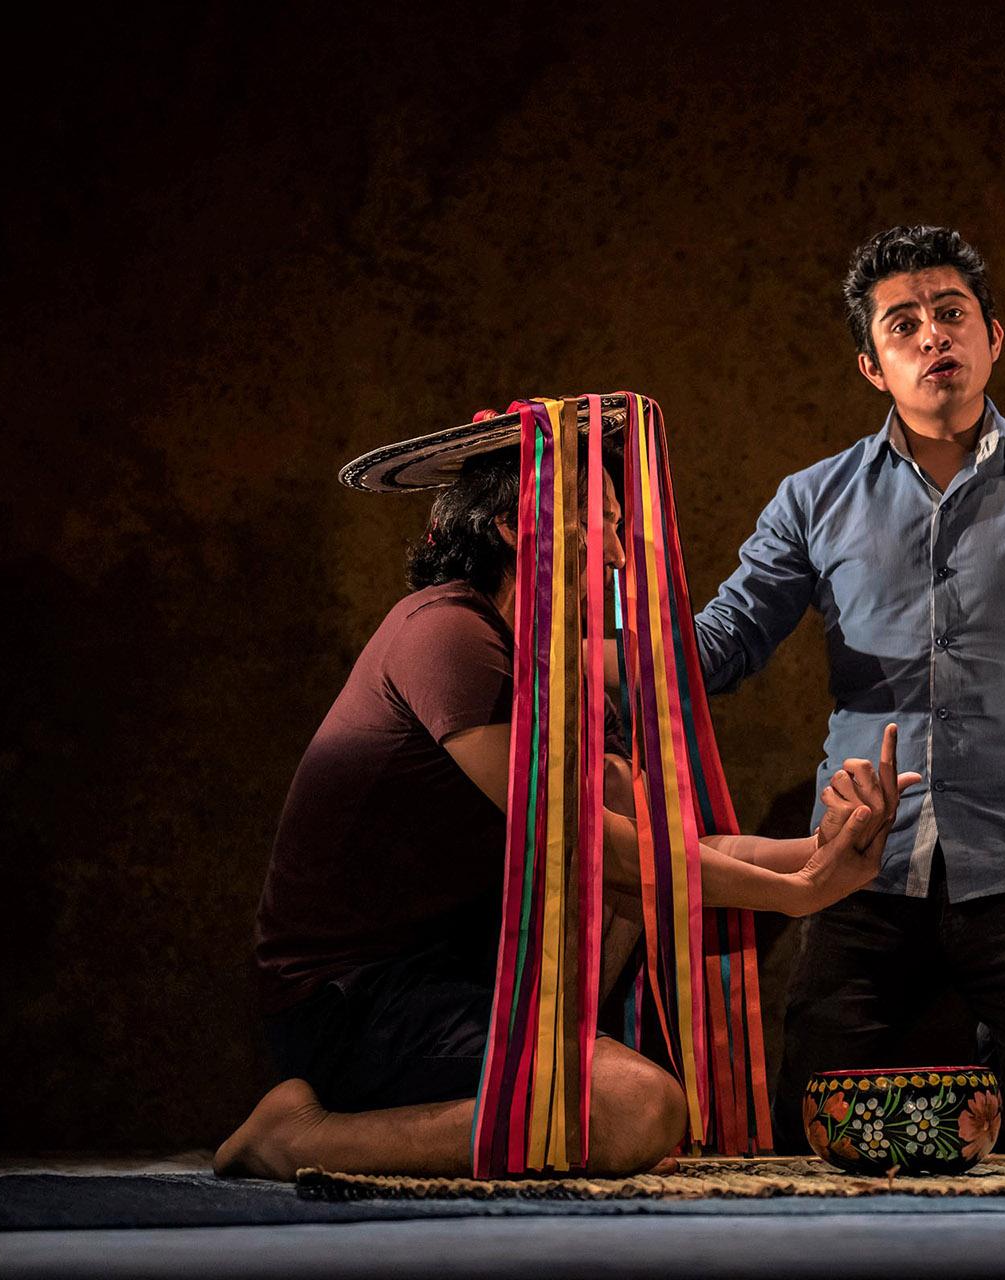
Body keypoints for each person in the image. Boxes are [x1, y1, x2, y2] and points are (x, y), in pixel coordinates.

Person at [217, 426, 911, 1181]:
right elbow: (579, 844)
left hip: (465, 977)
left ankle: (557, 1062)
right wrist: (796, 893)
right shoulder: (445, 632)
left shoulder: (551, 664)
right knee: (636, 1110)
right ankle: (295, 1138)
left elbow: (658, 844)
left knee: (617, 787)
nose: (617, 555)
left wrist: (822, 852)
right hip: (353, 1002)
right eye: (604, 527)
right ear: (519, 525)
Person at [695, 226, 1005, 1154]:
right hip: (856, 864)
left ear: (993, 337)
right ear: (872, 365)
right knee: (810, 1131)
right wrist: (618, 642)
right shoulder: (814, 499)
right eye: (905, 325)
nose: (933, 336)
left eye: (950, 315)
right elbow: (724, 644)